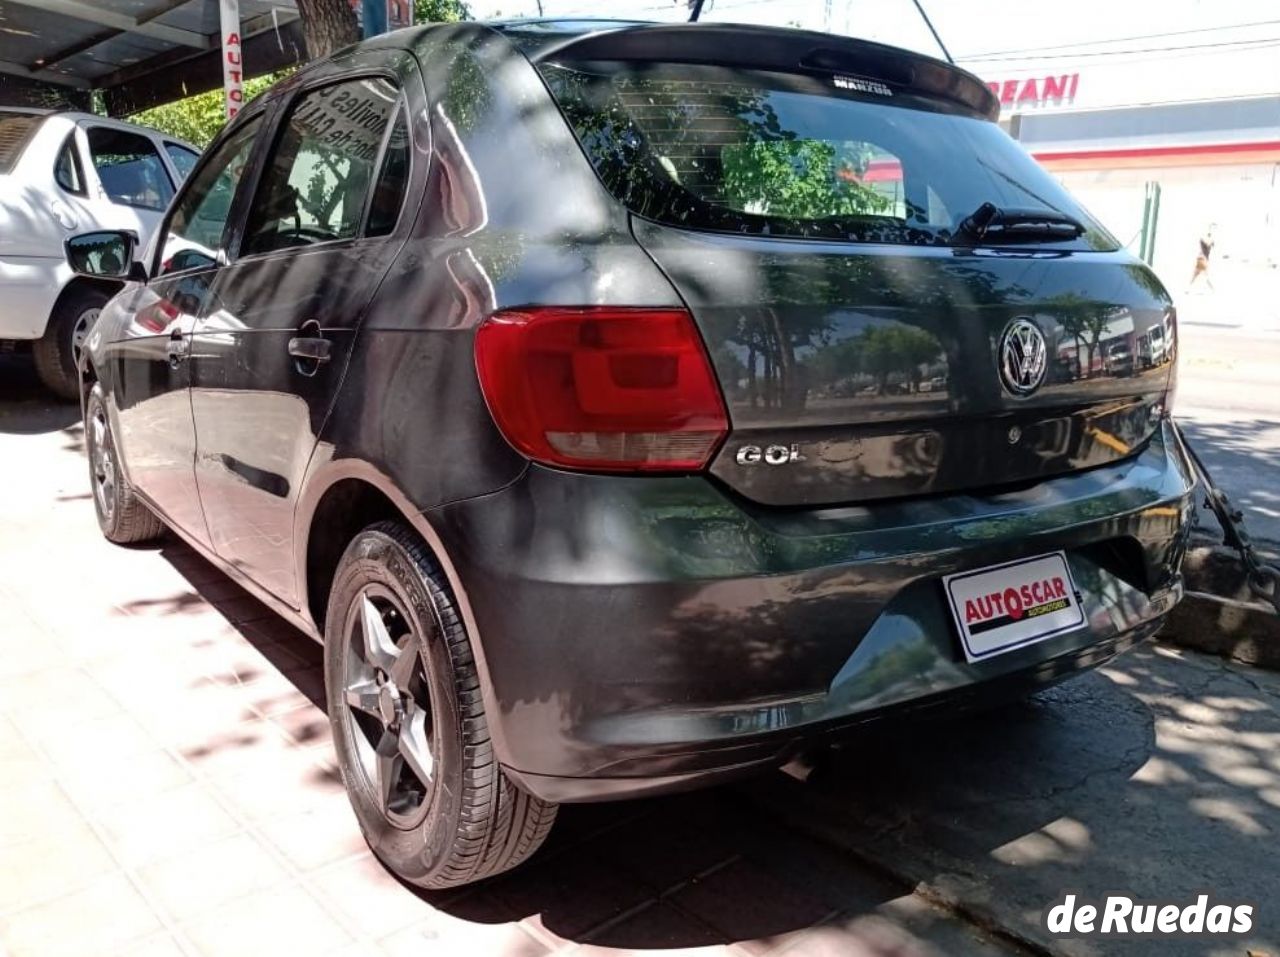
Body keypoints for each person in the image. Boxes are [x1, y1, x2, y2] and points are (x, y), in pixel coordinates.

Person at [1188, 223, 1216, 292]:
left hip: (1200, 259)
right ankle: (1213, 289)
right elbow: (1209, 243)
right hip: (1203, 260)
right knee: (1205, 276)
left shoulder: (1205, 240)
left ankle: (1187, 289)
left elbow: (1206, 242)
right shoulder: (1208, 241)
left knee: (1194, 276)